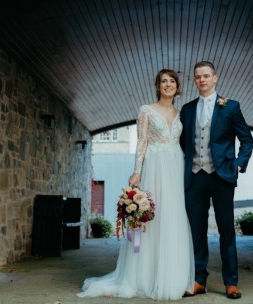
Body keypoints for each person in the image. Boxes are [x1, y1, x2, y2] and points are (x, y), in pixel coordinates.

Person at [77, 69, 194, 301]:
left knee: (173, 218)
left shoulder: (182, 114)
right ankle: (144, 277)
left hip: (175, 166)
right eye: (164, 81)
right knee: (151, 218)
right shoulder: (146, 110)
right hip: (155, 166)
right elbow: (142, 142)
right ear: (157, 86)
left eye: (172, 81)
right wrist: (136, 172)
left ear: (178, 87)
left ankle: (172, 276)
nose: (168, 85)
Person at [180, 61, 253, 300]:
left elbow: (247, 140)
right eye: (198, 77)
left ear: (215, 78)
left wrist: (239, 165)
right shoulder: (188, 109)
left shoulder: (230, 107)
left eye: (206, 76)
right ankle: (199, 279)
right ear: (195, 80)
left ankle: (231, 282)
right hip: (195, 177)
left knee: (226, 231)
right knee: (196, 231)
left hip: (222, 176)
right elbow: (184, 143)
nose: (202, 80)